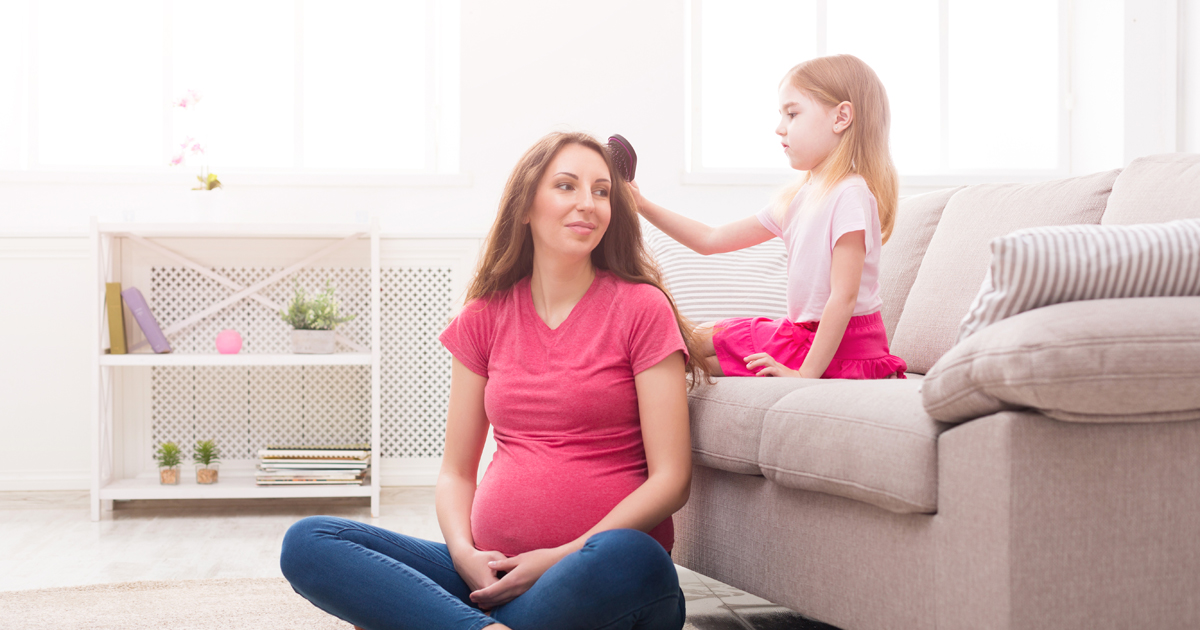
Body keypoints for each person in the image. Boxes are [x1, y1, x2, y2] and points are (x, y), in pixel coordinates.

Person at [280, 131, 706, 630]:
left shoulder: (641, 308)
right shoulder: (484, 316)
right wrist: (463, 554)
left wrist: (554, 558)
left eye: (601, 190)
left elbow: (671, 480)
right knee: (311, 541)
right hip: (492, 575)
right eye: (566, 186)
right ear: (525, 206)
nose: (588, 203)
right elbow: (457, 473)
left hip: (598, 576)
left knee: (632, 555)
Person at [633, 54, 907, 380]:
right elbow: (711, 240)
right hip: (803, 336)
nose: (779, 128)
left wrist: (805, 375)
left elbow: (843, 297)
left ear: (841, 117)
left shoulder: (850, 194)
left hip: (846, 348)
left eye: (792, 114)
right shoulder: (798, 199)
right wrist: (642, 204)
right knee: (699, 339)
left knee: (695, 353)